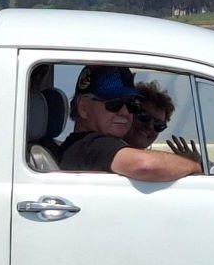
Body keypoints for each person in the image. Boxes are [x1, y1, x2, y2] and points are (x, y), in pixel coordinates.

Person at [59, 66, 201, 181]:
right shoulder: (90, 145)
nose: (125, 112)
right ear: (84, 108)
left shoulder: (85, 146)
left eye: (132, 105)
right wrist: (196, 166)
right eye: (114, 103)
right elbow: (145, 166)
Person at [126, 80, 202, 165]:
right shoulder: (114, 150)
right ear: (127, 113)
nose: (150, 126)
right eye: (144, 117)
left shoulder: (151, 162)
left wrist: (194, 164)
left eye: (158, 125)